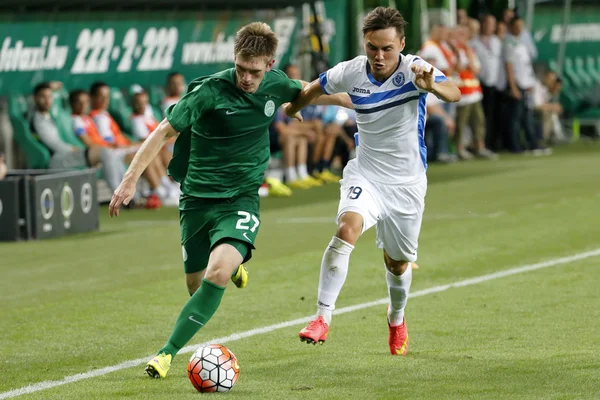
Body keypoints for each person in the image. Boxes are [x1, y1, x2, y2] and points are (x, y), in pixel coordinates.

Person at [108, 21, 350, 379]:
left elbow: (316, 91)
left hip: (240, 198)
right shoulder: (208, 92)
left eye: (254, 72)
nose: (246, 79)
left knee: (216, 274)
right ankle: (233, 264)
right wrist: (129, 180)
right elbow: (163, 132)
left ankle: (166, 354)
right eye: (240, 68)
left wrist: (374, 101)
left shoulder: (276, 83)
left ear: (269, 65)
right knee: (196, 285)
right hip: (196, 199)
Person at [283, 7, 460, 356]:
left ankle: (396, 317)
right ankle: (321, 317)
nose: (379, 56)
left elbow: (453, 91)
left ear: (402, 44)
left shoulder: (415, 68)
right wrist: (292, 109)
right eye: (372, 47)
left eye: (387, 49)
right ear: (365, 44)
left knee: (397, 264)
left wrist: (433, 87)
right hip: (365, 172)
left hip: (407, 184)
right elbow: (315, 87)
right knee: (346, 229)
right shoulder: (351, 70)